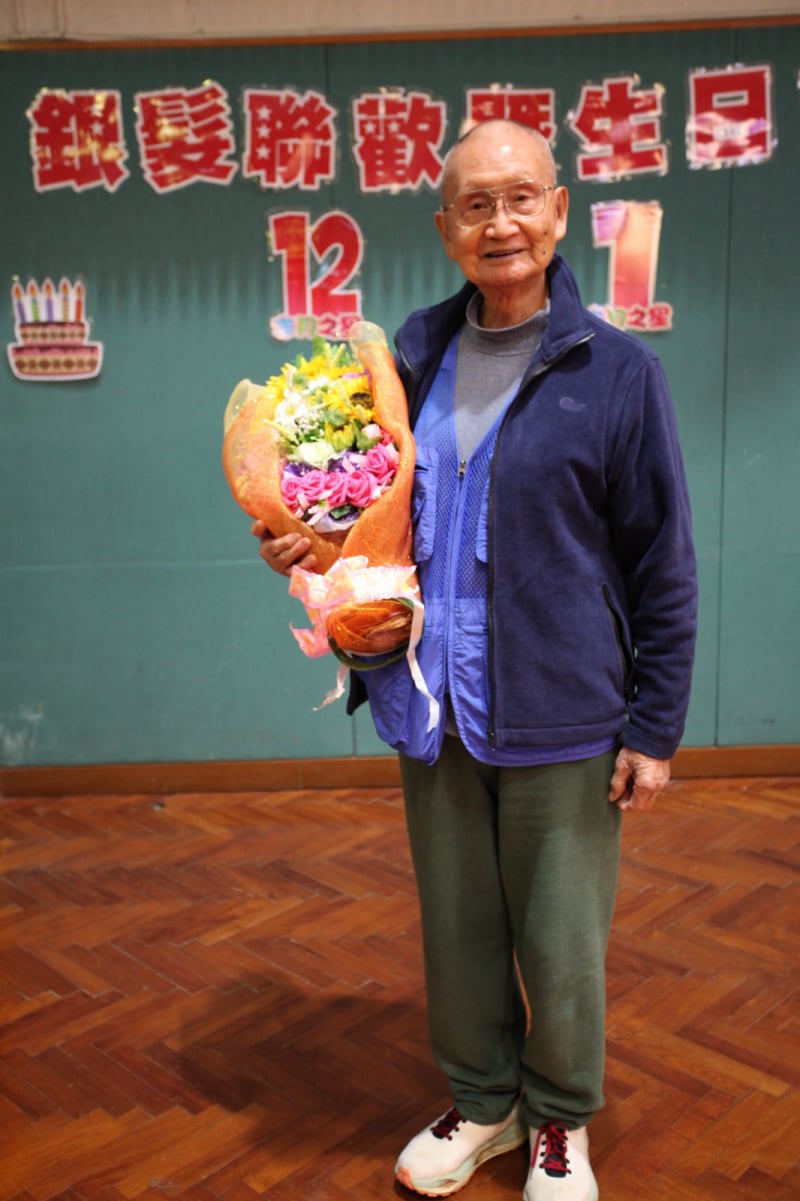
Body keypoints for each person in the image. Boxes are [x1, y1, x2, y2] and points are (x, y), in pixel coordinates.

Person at [252, 119, 697, 1201]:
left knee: (559, 940)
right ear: (445, 225)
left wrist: (653, 727)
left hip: (564, 707)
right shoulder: (406, 359)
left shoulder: (616, 374)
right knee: (457, 930)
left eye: (520, 198)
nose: (500, 223)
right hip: (431, 697)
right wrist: (304, 543)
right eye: (475, 204)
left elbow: (663, 562)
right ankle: (485, 1100)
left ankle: (561, 1122)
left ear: (557, 210)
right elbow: (366, 514)